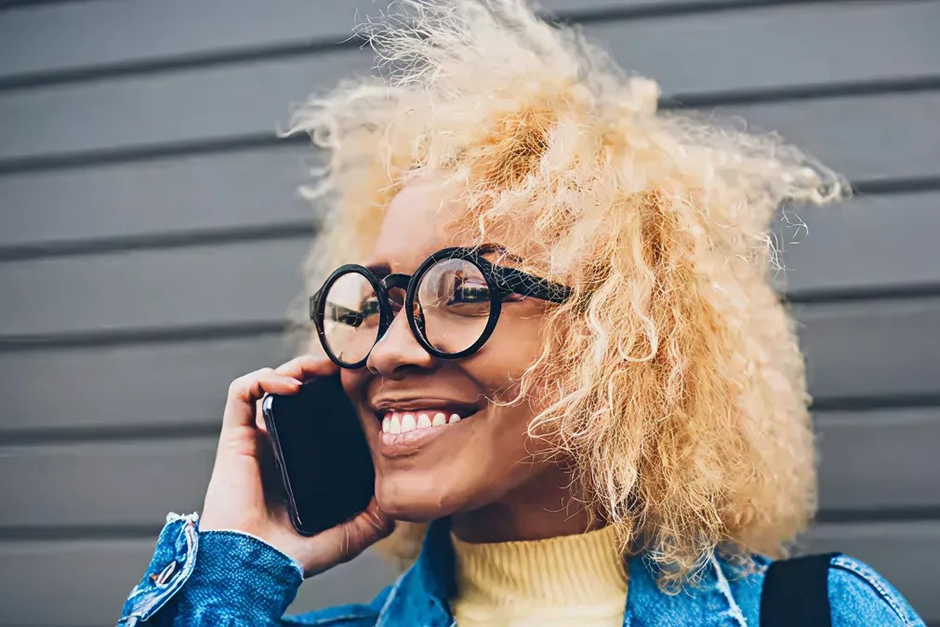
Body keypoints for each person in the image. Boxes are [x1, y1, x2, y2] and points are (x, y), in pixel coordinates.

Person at [117, 1, 925, 625]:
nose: (389, 351)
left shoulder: (820, 611)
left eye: (465, 292)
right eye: (375, 303)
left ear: (619, 340)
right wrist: (238, 565)